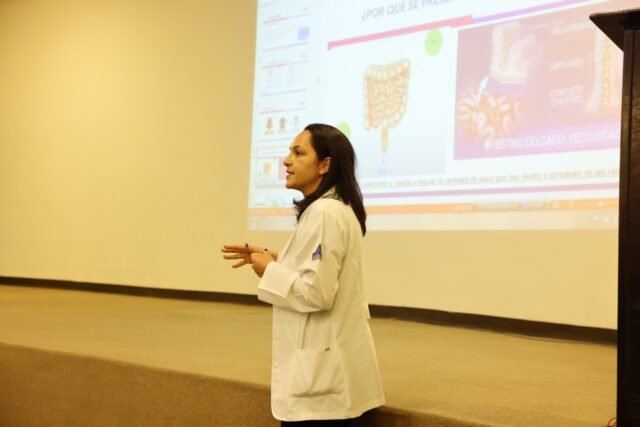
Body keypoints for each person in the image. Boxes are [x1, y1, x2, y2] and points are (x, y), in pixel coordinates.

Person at [222, 123, 385, 426]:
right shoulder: (333, 209)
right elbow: (322, 272)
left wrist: (269, 270)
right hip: (332, 377)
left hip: (325, 391)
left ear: (324, 165)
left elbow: (316, 292)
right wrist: (278, 259)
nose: (286, 161)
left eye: (298, 153)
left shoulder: (324, 213)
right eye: (289, 152)